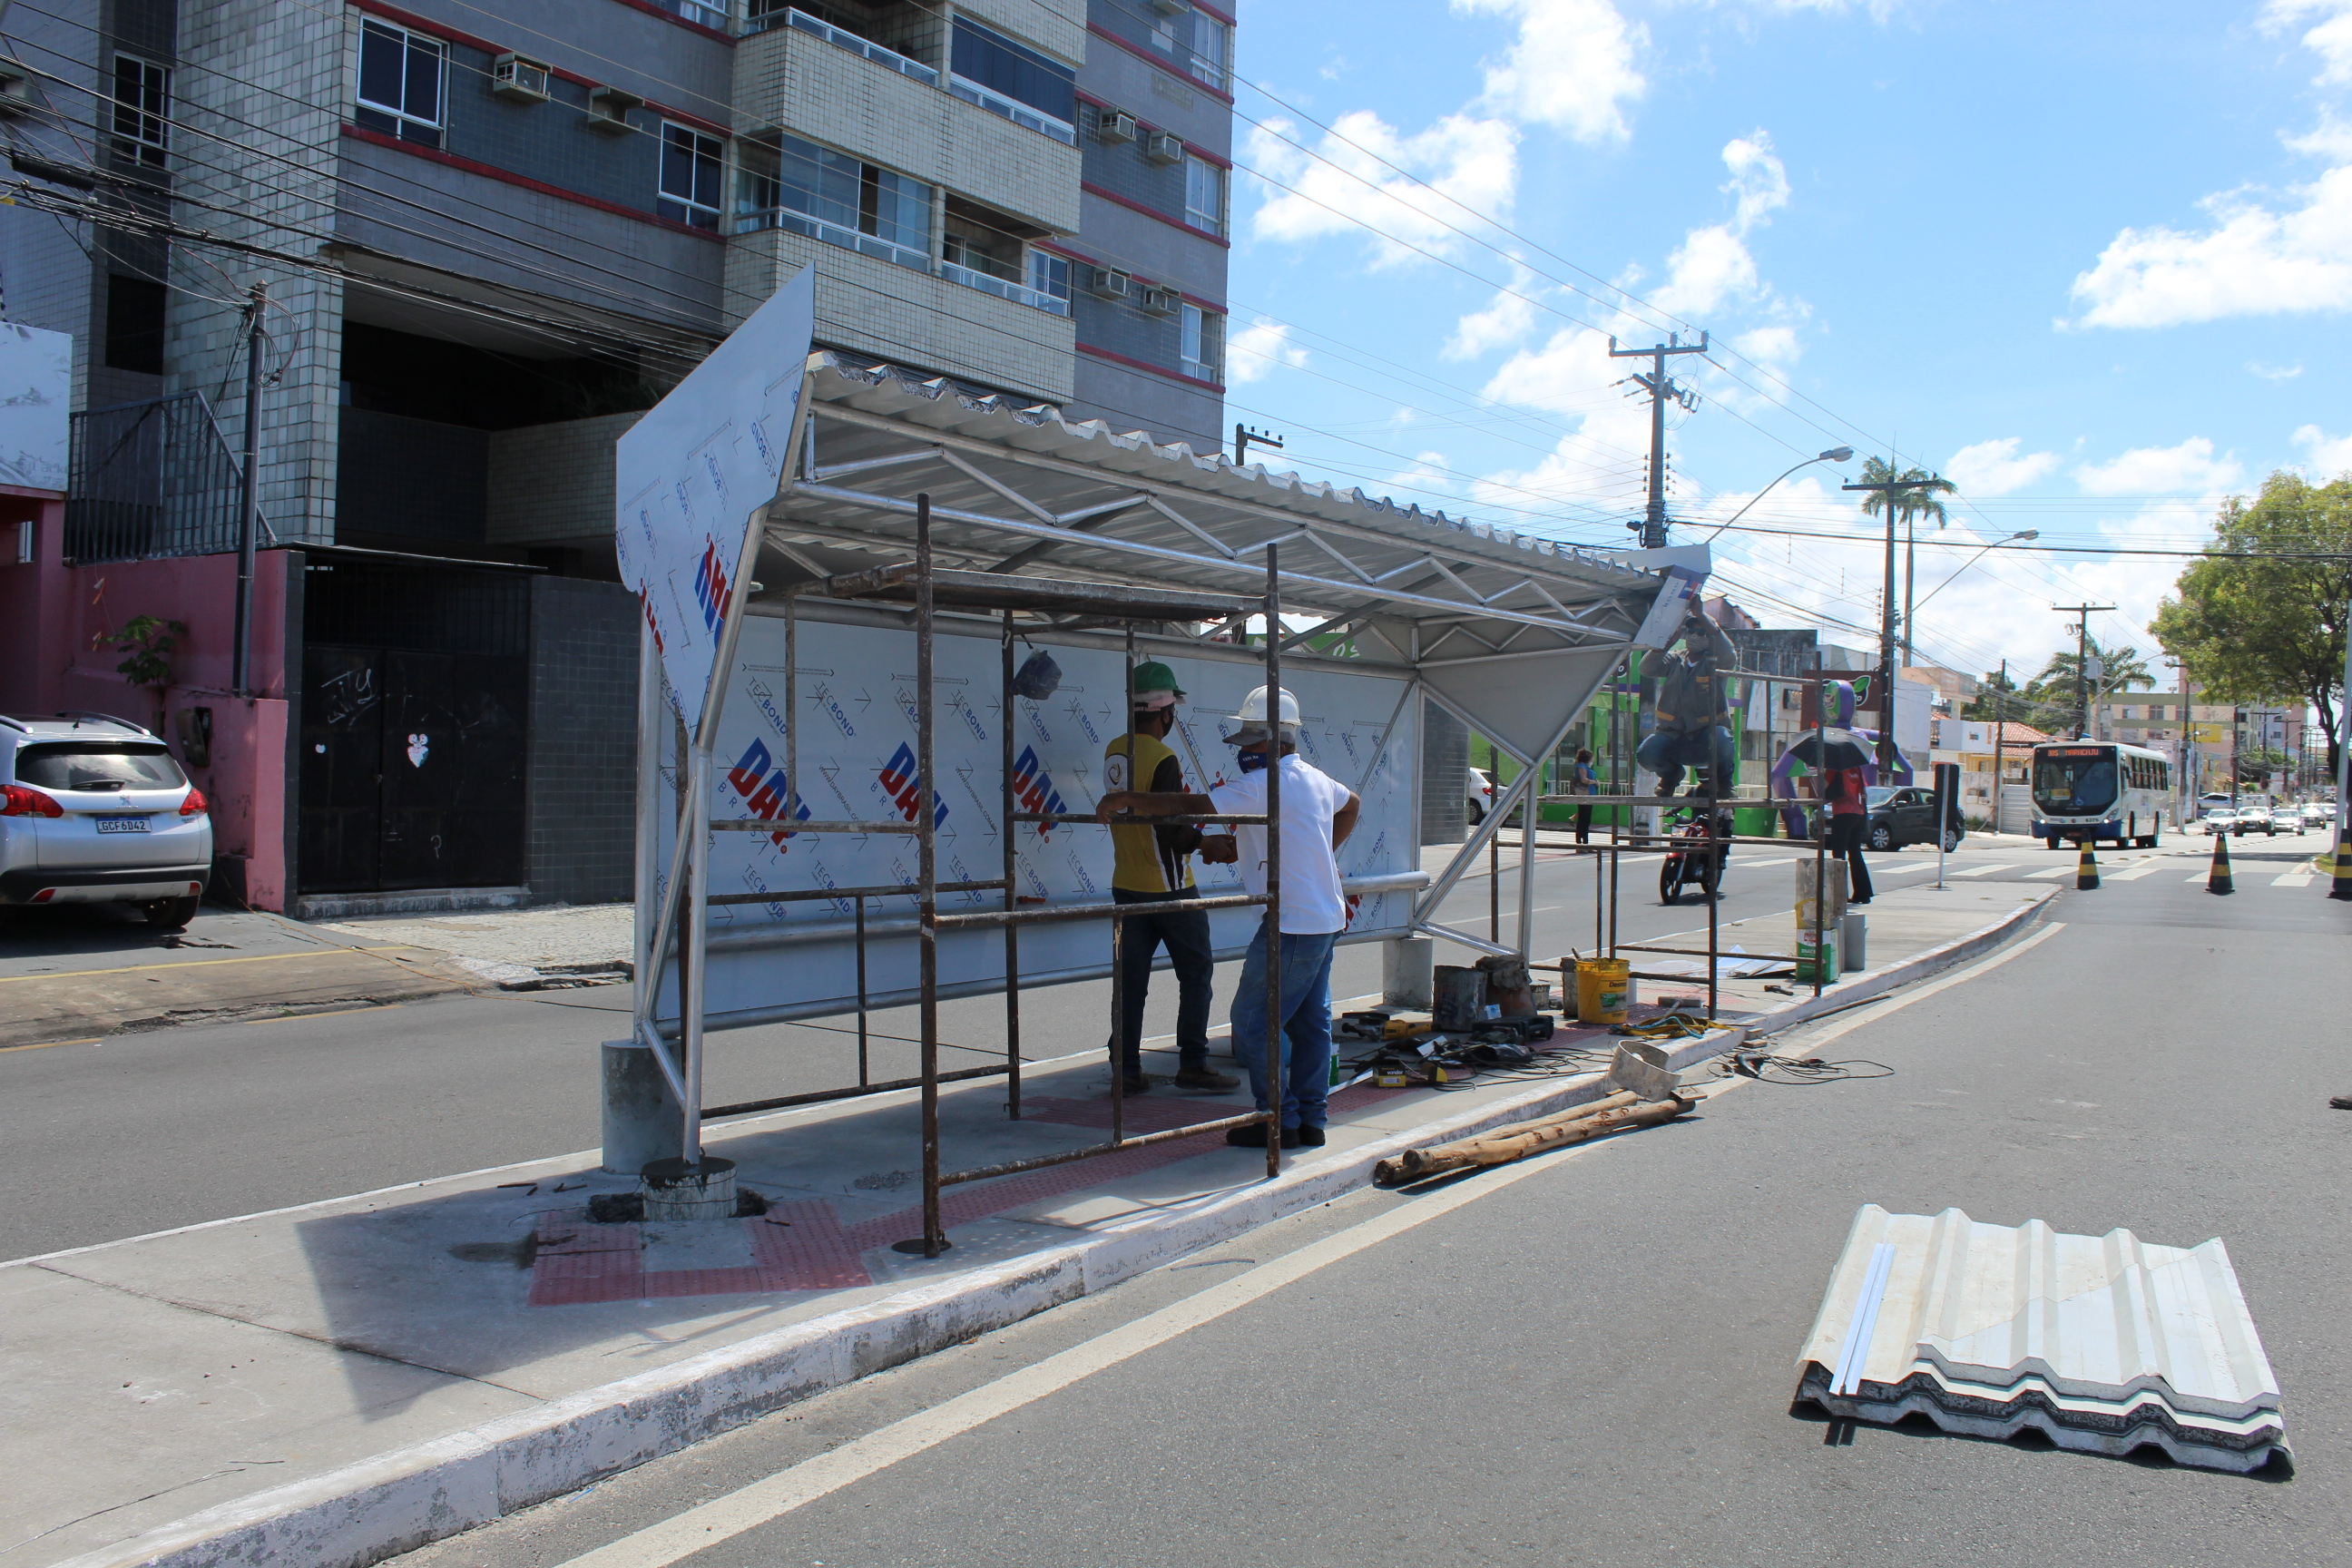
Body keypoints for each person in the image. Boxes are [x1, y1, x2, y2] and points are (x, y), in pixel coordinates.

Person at [1094, 684, 1358, 1150]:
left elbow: (1190, 806)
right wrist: (1320, 854)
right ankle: (1308, 1121)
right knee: (1309, 1022)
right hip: (1322, 916)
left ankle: (1277, 1116)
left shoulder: (1260, 784)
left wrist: (1125, 799)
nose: (1245, 752)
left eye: (1252, 743)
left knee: (1254, 1020)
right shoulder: (1314, 778)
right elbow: (1351, 803)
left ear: (1277, 742)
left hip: (1292, 923)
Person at [1102, 662, 1238, 1096]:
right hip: (1171, 888)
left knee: (1130, 984)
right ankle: (1193, 1064)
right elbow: (1169, 826)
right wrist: (1205, 843)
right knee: (1196, 975)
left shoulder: (1114, 750)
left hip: (1126, 883)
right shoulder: (1163, 757)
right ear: (1165, 712)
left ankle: (1125, 1069)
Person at [1635, 607, 1740, 797]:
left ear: (1711, 638)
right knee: (1647, 754)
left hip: (1705, 737)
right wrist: (1664, 646)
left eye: (1702, 632)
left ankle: (1724, 782)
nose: (1695, 636)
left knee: (1722, 738)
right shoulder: (1675, 659)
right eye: (1691, 631)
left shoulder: (1717, 661)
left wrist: (1701, 614)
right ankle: (1671, 776)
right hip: (1673, 735)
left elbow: (1729, 654)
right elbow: (1646, 669)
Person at [1822, 760, 1874, 906]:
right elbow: (1861, 790)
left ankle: (1839, 894)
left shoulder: (1835, 768)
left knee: (1838, 855)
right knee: (1855, 853)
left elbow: (1824, 788)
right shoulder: (1856, 767)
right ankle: (1863, 893)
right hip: (1858, 812)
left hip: (1842, 812)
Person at [1570, 747, 1598, 847]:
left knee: (1586, 818)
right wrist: (1594, 782)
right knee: (1584, 818)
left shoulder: (1585, 766)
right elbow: (1584, 780)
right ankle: (1581, 841)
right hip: (1584, 794)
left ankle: (1584, 841)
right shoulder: (1581, 766)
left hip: (1589, 795)